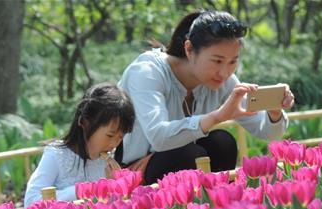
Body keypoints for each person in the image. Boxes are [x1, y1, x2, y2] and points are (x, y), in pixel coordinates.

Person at [117, 10, 294, 184]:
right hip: (129, 171)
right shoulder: (147, 72)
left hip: (171, 157)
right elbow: (159, 136)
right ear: (189, 49)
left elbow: (268, 132)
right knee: (190, 156)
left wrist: (274, 110)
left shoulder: (224, 81)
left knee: (222, 142)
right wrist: (217, 116)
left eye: (233, 61)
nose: (224, 72)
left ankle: (217, 204)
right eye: (217, 61)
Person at [24, 83, 135, 207]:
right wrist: (80, 191)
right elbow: (31, 201)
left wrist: (115, 185)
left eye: (120, 137)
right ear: (85, 122)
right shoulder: (56, 155)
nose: (114, 144)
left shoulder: (107, 164)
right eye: (109, 135)